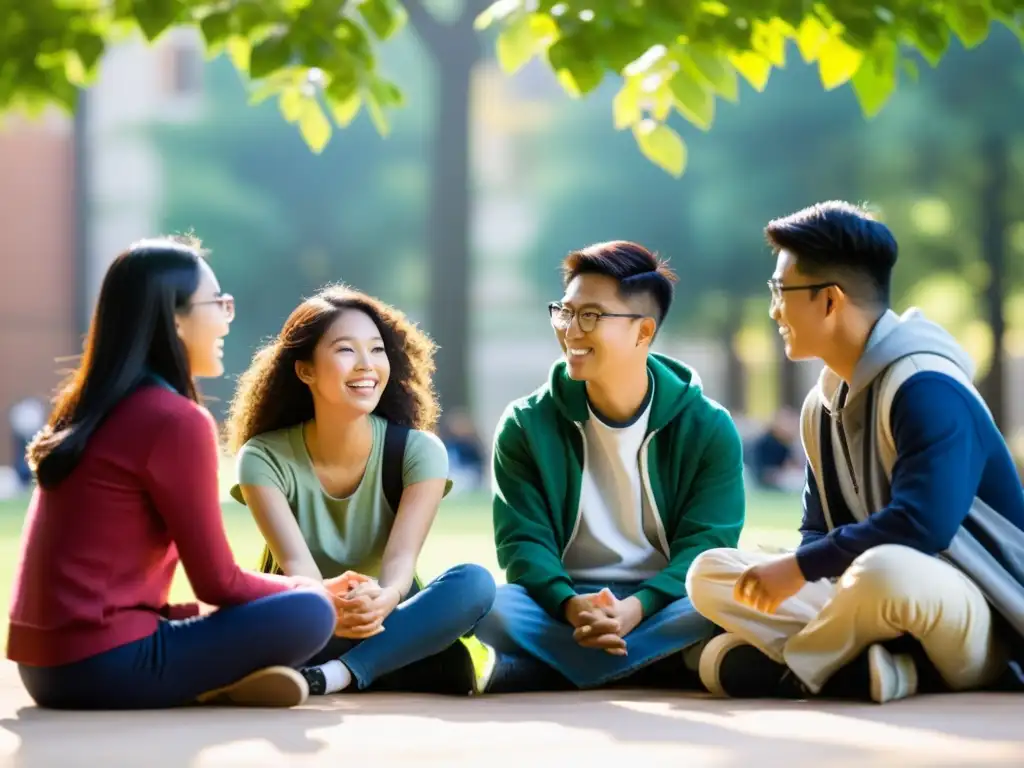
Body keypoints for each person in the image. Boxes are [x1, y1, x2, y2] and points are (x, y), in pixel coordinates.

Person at [687, 200, 1024, 704]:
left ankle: (798, 671)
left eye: (781, 291)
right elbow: (817, 531)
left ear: (830, 301)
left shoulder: (928, 387)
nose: (774, 309)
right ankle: (883, 669)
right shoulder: (819, 406)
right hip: (865, 596)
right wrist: (799, 565)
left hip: (978, 613)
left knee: (886, 570)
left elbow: (921, 525)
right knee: (709, 573)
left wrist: (799, 570)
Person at [7, 237, 338, 710]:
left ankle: (221, 682)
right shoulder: (173, 419)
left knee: (279, 606)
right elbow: (218, 583)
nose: (227, 317)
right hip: (101, 667)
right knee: (310, 613)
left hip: (43, 668)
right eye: (217, 304)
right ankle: (215, 684)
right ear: (175, 319)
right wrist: (311, 588)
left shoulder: (89, 407)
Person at [474, 241, 747, 692]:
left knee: (731, 593)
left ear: (642, 332)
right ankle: (656, 662)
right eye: (565, 312)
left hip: (665, 601)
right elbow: (523, 544)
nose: (570, 331)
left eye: (591, 316)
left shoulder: (708, 426)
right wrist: (571, 605)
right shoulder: (525, 423)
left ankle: (552, 665)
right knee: (485, 604)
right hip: (559, 602)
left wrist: (637, 607)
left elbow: (708, 548)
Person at [226, 285, 496, 697]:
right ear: (305, 370)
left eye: (376, 349)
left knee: (475, 583)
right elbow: (297, 565)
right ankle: (384, 664)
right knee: (443, 666)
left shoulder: (419, 451)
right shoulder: (262, 457)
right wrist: (332, 608)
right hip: (308, 618)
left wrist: (385, 598)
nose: (367, 365)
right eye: (346, 350)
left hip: (391, 616)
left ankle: (335, 675)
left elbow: (401, 560)